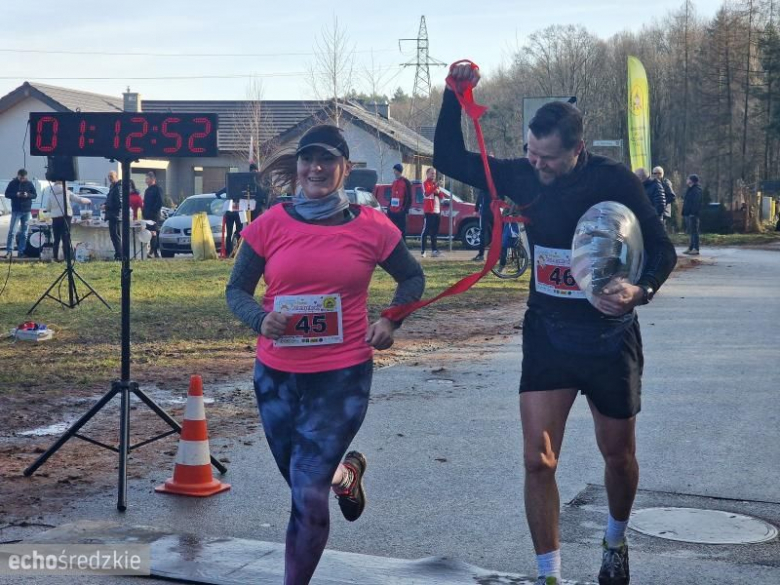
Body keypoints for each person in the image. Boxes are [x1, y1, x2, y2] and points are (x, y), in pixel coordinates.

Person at [434, 64, 677, 585]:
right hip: (548, 333)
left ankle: (615, 539)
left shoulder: (612, 180)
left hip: (610, 338)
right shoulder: (523, 173)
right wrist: (453, 96)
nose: (536, 164)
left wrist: (641, 290)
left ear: (577, 149)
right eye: (530, 152)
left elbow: (663, 249)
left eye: (547, 157)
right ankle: (550, 575)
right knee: (538, 461)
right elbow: (449, 158)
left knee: (619, 456)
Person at [226, 124, 424, 585]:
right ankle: (345, 476)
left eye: (328, 160)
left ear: (345, 169)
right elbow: (236, 290)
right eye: (308, 159)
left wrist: (390, 320)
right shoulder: (268, 225)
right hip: (276, 375)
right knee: (302, 478)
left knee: (307, 495)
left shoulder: (373, 227)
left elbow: (412, 279)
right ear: (298, 166)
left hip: (342, 375)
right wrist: (260, 319)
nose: (316, 168)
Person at [46, 183, 90, 262]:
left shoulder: (51, 194)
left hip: (55, 218)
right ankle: (67, 257)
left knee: (56, 239)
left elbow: (48, 208)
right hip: (66, 217)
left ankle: (55, 257)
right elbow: (79, 200)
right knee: (65, 237)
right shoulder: (67, 192)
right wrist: (88, 200)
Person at [4, 169, 37, 258]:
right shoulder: (12, 183)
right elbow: (7, 194)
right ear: (18, 176)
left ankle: (21, 252)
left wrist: (28, 195)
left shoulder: (29, 184)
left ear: (26, 176)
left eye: (24, 178)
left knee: (25, 233)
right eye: (21, 178)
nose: (22, 179)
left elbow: (34, 195)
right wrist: (16, 194)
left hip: (26, 210)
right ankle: (9, 251)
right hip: (16, 210)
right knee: (12, 232)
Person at [421, 167, 445, 258]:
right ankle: (423, 251)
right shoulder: (425, 184)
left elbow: (441, 196)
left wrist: (439, 190)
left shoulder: (435, 184)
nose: (433, 175)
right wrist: (435, 187)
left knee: (434, 232)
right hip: (429, 211)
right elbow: (426, 193)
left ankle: (434, 251)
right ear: (427, 174)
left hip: (437, 211)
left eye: (434, 173)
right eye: (431, 173)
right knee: (426, 231)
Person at [387, 163, 412, 239]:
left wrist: (404, 210)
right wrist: (389, 208)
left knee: (402, 231)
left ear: (399, 171)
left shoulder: (406, 182)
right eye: (394, 170)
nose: (394, 172)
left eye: (395, 170)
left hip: (401, 212)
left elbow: (409, 197)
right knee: (392, 231)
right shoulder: (394, 182)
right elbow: (392, 196)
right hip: (393, 211)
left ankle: (403, 247)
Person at [143, 171, 164, 258]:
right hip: (147, 215)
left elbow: (160, 202)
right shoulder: (147, 190)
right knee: (150, 233)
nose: (146, 181)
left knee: (154, 233)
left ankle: (154, 251)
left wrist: (153, 211)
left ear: (152, 179)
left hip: (154, 215)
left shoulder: (157, 189)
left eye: (147, 179)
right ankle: (153, 251)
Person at [682, 174, 703, 255]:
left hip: (693, 214)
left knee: (694, 231)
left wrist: (693, 213)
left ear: (691, 180)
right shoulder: (690, 189)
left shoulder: (697, 190)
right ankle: (690, 248)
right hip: (688, 213)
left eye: (688, 179)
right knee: (691, 231)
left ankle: (695, 248)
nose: (687, 180)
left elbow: (696, 203)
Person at [104, 171, 122, 260]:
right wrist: (105, 204)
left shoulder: (118, 187)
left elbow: (119, 203)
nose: (109, 178)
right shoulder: (112, 187)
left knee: (115, 235)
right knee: (113, 236)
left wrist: (107, 206)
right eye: (108, 176)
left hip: (115, 215)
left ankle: (120, 255)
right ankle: (118, 253)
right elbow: (110, 199)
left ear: (116, 176)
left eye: (111, 176)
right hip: (111, 215)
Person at [652, 166, 676, 231]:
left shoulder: (666, 183)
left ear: (659, 174)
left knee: (661, 228)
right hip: (656, 209)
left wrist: (662, 202)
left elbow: (672, 196)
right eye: (653, 173)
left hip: (663, 210)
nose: (653, 175)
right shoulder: (654, 183)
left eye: (654, 173)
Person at [473, 187, 493, 261]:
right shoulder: (484, 189)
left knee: (484, 234)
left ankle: (482, 254)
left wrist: (476, 209)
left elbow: (479, 199)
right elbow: (479, 199)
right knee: (484, 234)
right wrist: (476, 209)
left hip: (489, 213)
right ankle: (481, 254)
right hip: (488, 213)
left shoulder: (486, 189)